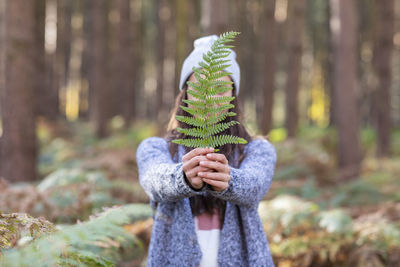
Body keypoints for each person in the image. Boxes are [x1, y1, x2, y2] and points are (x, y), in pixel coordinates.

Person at [136, 34, 277, 267]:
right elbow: (155, 180)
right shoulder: (156, 148)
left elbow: (255, 184)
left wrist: (229, 180)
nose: (210, 98)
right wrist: (183, 178)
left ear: (233, 96)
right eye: (201, 88)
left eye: (221, 89)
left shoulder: (257, 149)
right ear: (186, 94)